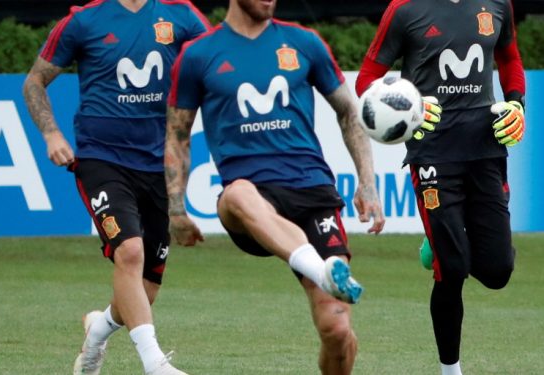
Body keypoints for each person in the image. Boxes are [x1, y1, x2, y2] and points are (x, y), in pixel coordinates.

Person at [166, 0, 385, 373]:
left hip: (311, 191)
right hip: (251, 201)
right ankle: (321, 270)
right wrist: (175, 209)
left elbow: (349, 110)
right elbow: (177, 135)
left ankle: (324, 277)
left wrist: (368, 183)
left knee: (336, 329)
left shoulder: (305, 43)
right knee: (236, 193)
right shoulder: (198, 54)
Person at [22, 1, 209, 374]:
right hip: (101, 160)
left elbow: (218, 60)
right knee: (129, 251)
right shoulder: (83, 20)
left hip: (158, 164)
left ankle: (98, 329)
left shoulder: (182, 14)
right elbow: (34, 82)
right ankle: (155, 364)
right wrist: (51, 132)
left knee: (146, 288)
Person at [356, 0, 525, 374]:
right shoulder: (404, 9)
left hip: (486, 149)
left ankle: (440, 240)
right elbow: (367, 78)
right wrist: (409, 103)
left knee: (497, 272)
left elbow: (510, 59)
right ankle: (451, 370)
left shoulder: (497, 4)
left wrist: (517, 104)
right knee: (452, 268)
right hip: (432, 152)